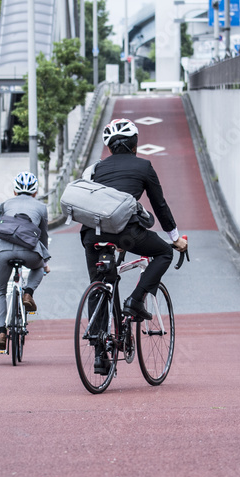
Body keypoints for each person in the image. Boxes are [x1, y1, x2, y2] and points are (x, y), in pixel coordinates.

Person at [81, 119, 188, 366]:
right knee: (163, 253)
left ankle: (99, 356)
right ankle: (136, 300)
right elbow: (160, 206)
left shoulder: (95, 170)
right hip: (125, 234)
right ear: (135, 144)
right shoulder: (144, 166)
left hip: (92, 235)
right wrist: (175, 239)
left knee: (99, 284)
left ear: (109, 148)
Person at [0, 171, 50, 351]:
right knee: (39, 267)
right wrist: (45, 261)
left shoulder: (4, 204)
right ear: (35, 192)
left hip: (2, 250)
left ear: (14, 192)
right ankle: (28, 292)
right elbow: (43, 236)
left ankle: (1, 332)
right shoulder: (40, 207)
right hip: (30, 251)